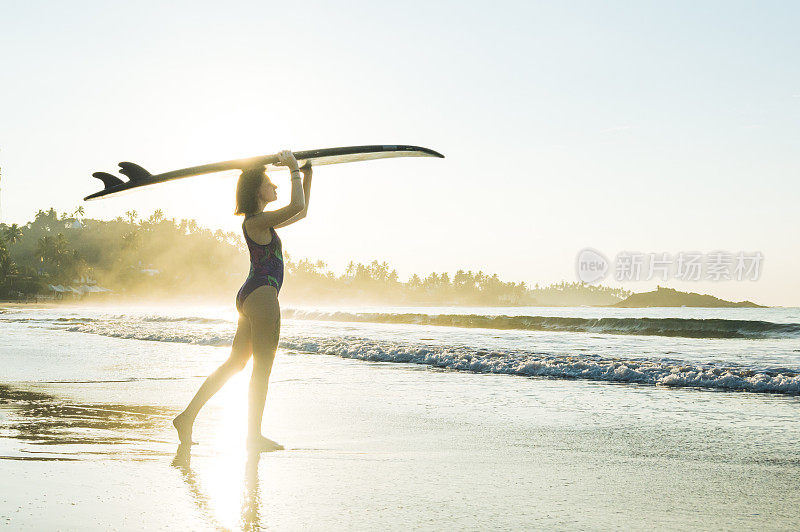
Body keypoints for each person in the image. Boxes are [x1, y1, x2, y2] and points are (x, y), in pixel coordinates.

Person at [173, 149, 311, 452]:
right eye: (270, 183)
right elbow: (297, 203)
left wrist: (306, 172)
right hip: (262, 295)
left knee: (235, 363)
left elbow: (301, 211)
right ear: (257, 190)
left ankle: (187, 417)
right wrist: (292, 169)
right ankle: (253, 436)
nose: (275, 187)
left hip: (251, 295)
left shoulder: (261, 221)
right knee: (262, 367)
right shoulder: (256, 223)